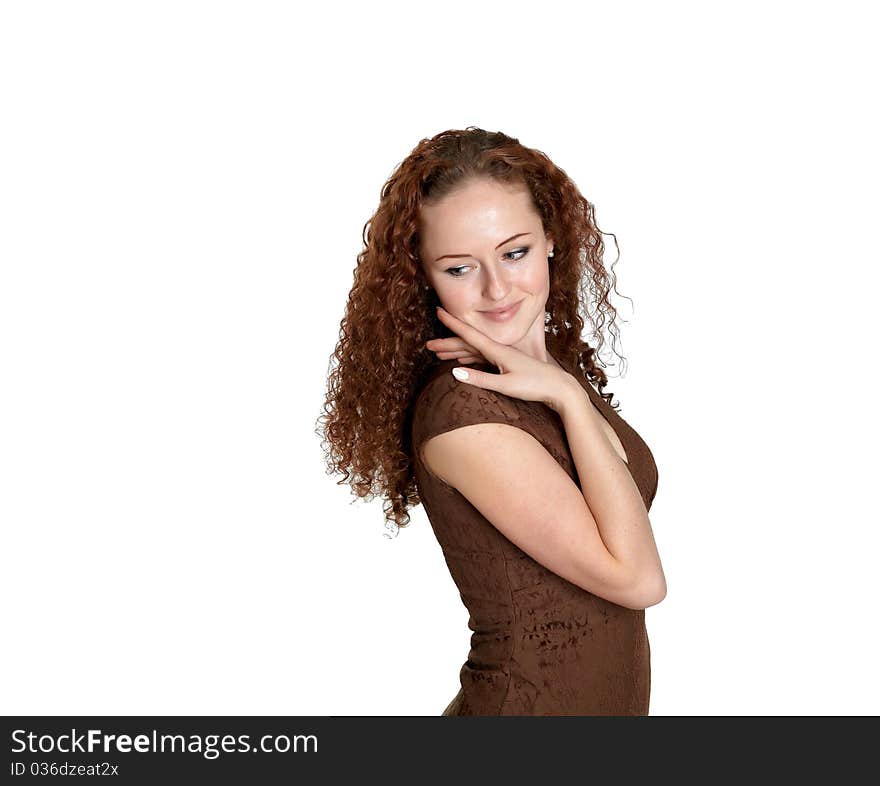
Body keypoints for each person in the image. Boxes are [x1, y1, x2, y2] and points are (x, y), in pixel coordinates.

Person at [319, 127, 666, 715]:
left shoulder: (545, 376)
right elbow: (638, 581)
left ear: (551, 238)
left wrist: (561, 389)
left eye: (514, 252)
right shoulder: (465, 413)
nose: (496, 288)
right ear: (423, 275)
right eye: (459, 268)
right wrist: (569, 398)